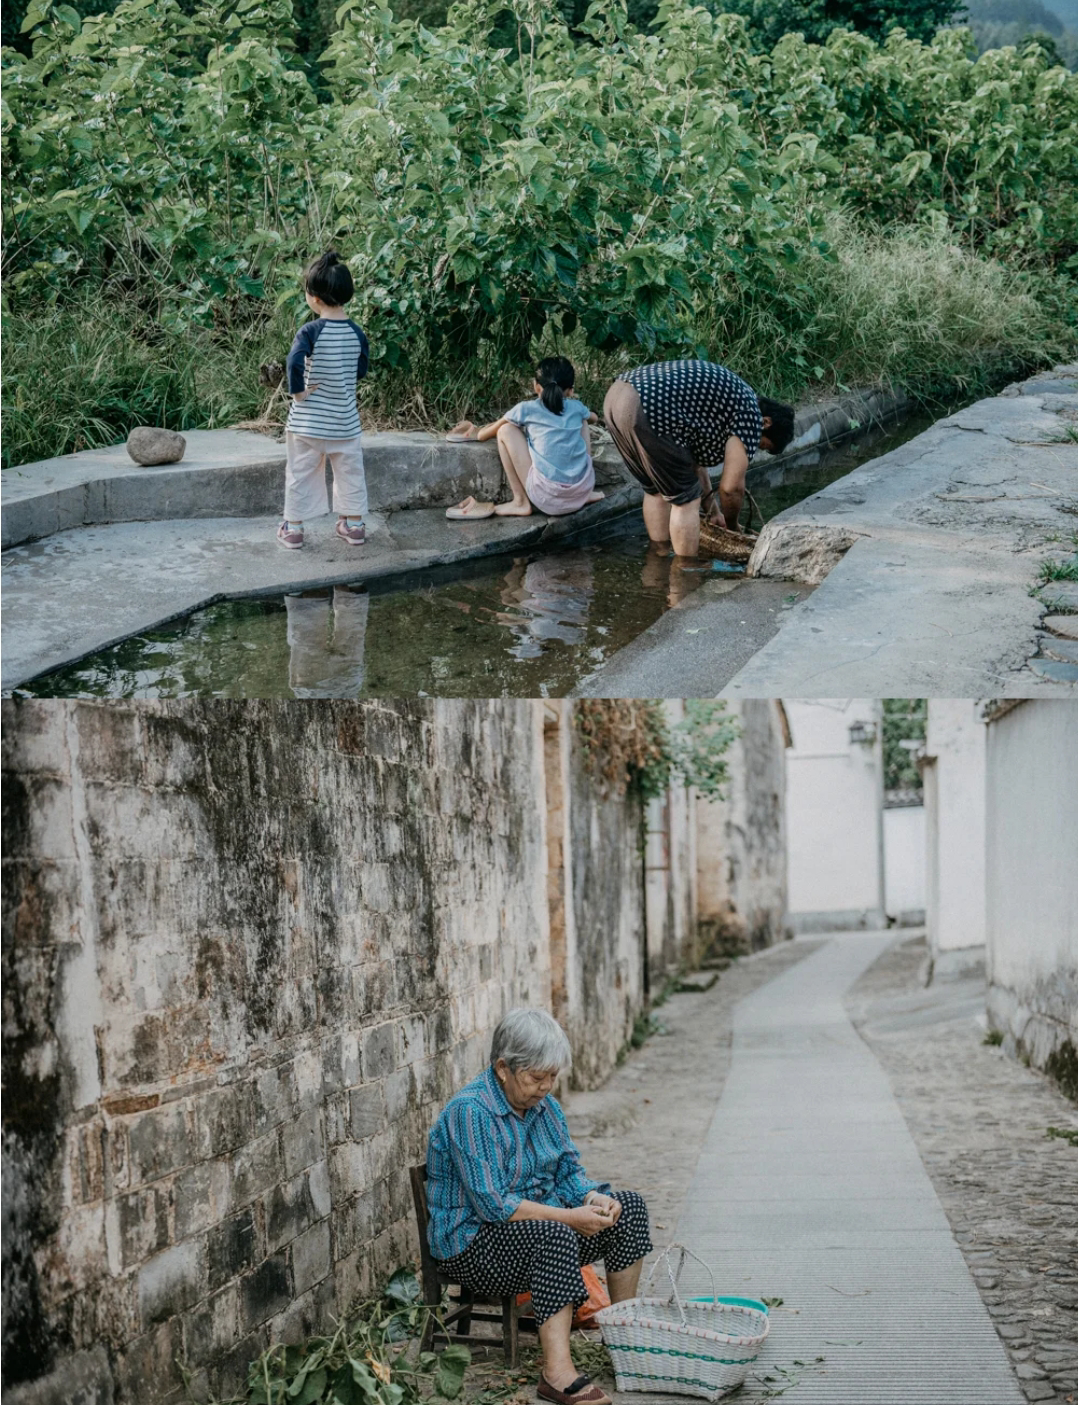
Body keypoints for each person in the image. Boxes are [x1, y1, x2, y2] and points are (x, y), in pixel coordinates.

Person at [426, 1008, 652, 1405]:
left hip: (536, 1232)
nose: (546, 1086)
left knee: (628, 1208)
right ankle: (557, 1372)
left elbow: (567, 1171)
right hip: (473, 1246)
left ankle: (626, 1342)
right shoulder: (470, 1113)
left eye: (552, 1076)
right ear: (502, 1068)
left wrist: (592, 1198)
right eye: (536, 1077)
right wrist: (568, 1218)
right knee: (554, 1234)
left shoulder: (545, 1108)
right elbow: (493, 1205)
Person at [603, 360, 795, 557]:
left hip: (617, 397)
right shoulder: (750, 415)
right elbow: (731, 488)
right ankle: (684, 575)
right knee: (685, 502)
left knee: (657, 490)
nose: (753, 447)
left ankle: (658, 562)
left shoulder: (733, 400)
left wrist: (713, 511)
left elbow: (694, 465)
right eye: (761, 444)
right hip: (649, 406)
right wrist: (732, 527)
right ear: (766, 423)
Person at [277, 251, 371, 550]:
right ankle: (354, 526)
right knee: (350, 474)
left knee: (300, 474)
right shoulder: (357, 333)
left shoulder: (310, 331)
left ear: (314, 298)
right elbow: (361, 369)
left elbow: (294, 361)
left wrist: (298, 392)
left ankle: (293, 529)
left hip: (307, 423)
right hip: (344, 423)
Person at [445, 357, 605, 520]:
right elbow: (594, 418)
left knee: (505, 430)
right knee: (583, 420)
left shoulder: (526, 409)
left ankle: (520, 501)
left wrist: (474, 432)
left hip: (548, 499)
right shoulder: (576, 407)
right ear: (570, 391)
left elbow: (486, 433)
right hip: (580, 493)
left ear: (536, 386)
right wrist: (581, 414)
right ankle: (588, 491)